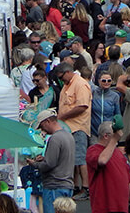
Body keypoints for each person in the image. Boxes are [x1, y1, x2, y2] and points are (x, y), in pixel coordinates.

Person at [55, 62, 92, 201]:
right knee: (73, 160)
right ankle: (75, 186)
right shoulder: (67, 84)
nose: (61, 80)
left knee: (80, 158)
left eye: (61, 77)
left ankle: (86, 187)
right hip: (68, 127)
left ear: (68, 72)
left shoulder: (80, 84)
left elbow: (82, 106)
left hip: (78, 127)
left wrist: (62, 116)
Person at [27, 110, 75, 213]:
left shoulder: (55, 138)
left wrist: (34, 164)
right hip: (67, 185)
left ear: (47, 121)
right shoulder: (69, 136)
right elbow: (60, 159)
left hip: (54, 186)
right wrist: (45, 159)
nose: (42, 130)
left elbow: (49, 164)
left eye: (42, 126)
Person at [86, 122, 130, 213]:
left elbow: (128, 178)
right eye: (115, 135)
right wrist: (114, 140)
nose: (118, 138)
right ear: (106, 136)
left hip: (122, 207)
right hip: (104, 208)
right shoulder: (93, 150)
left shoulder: (118, 153)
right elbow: (102, 161)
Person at [90, 72, 121, 140]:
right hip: (94, 132)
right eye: (104, 80)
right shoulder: (93, 93)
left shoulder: (115, 96)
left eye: (109, 80)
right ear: (99, 81)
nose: (106, 82)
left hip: (109, 132)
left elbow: (117, 114)